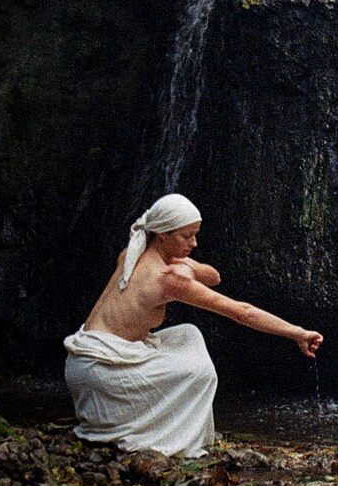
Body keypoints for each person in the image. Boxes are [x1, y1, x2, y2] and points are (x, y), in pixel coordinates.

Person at [63, 194, 323, 458]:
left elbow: (214, 277)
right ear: (162, 234)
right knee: (202, 372)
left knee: (188, 335)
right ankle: (166, 437)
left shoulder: (133, 251)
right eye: (186, 236)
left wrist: (186, 265)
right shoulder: (167, 279)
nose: (194, 243)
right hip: (101, 374)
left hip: (81, 366)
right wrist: (297, 332)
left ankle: (147, 422)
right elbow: (242, 313)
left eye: (195, 234)